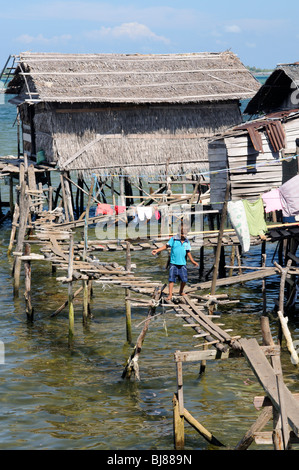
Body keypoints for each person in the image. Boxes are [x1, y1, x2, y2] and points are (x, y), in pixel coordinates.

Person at [151, 222, 199, 300]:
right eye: (181, 233)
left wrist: (193, 261)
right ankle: (170, 294)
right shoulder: (173, 239)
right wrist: (157, 250)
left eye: (185, 233)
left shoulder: (187, 242)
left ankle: (181, 291)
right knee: (171, 280)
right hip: (173, 263)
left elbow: (188, 252)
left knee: (184, 279)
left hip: (182, 264)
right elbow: (166, 246)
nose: (183, 235)